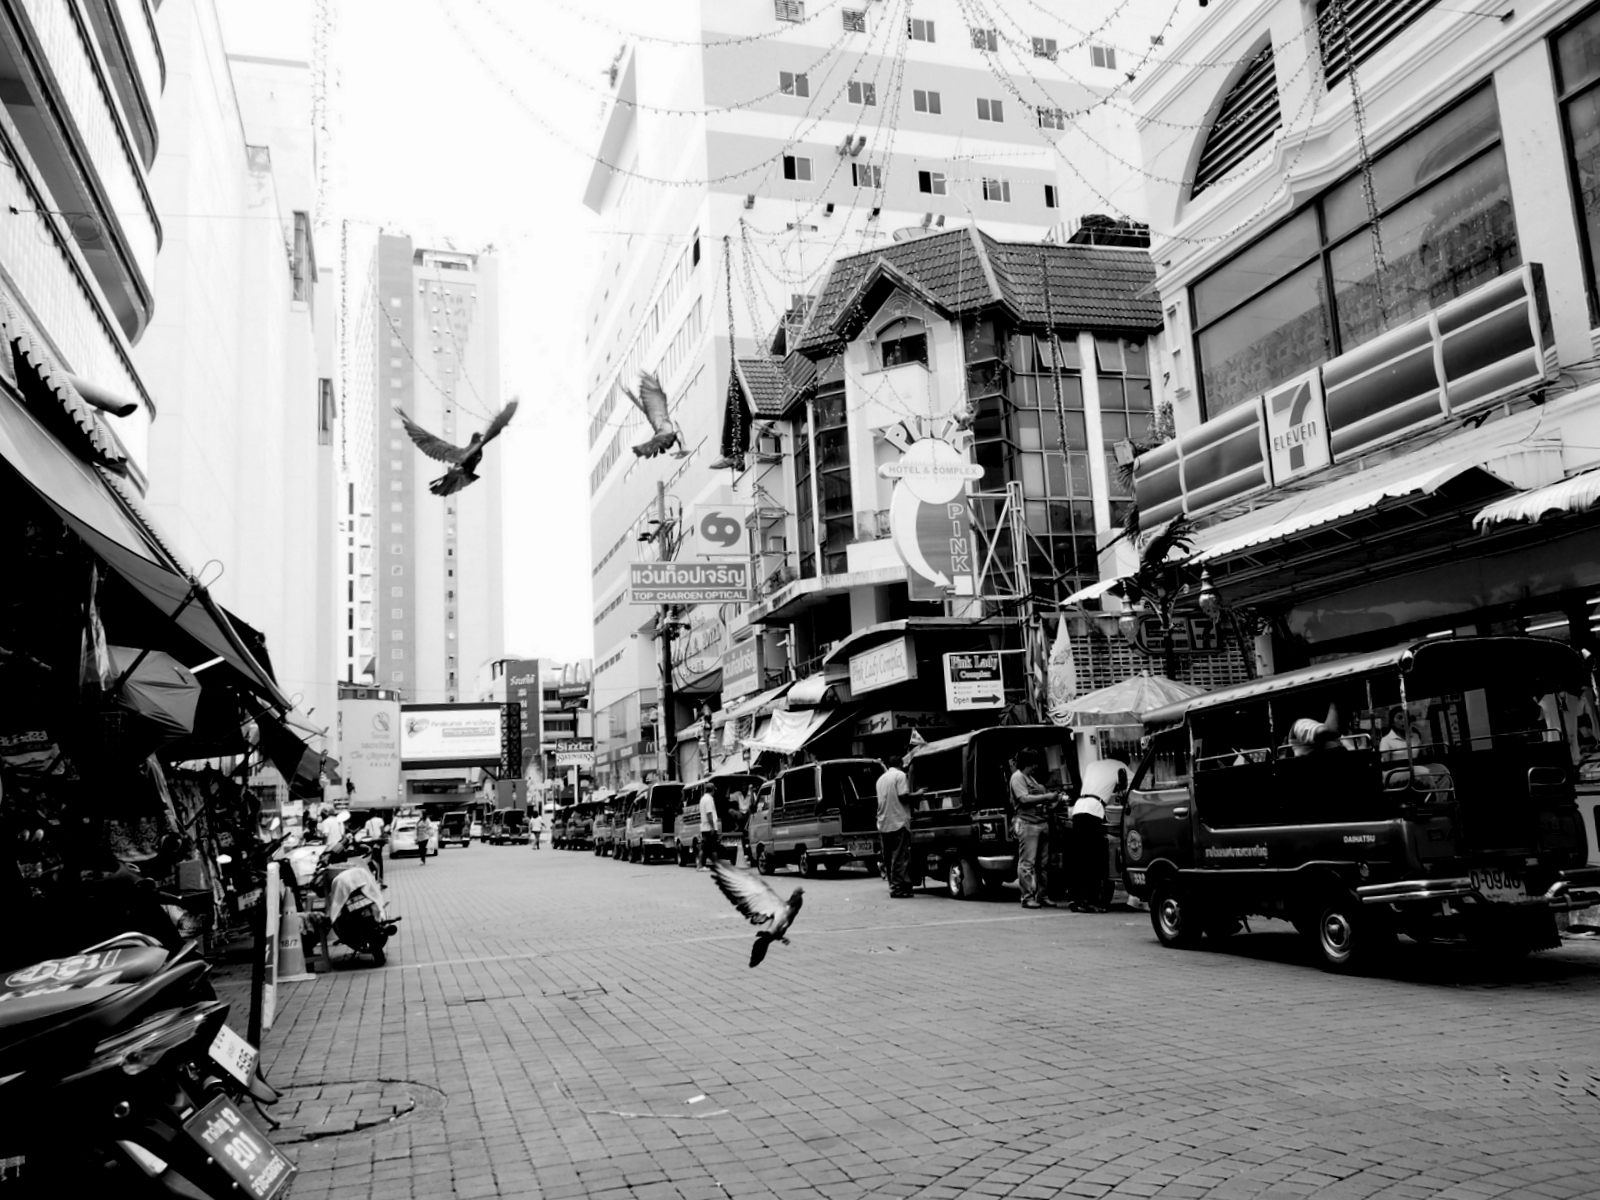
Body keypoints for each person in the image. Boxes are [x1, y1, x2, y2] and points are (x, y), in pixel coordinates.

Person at [1068, 761, 1125, 913]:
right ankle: (1090, 901)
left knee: (1080, 857)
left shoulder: (1092, 765)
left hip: (1078, 808)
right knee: (1094, 858)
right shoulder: (1120, 766)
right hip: (1093, 811)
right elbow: (1135, 786)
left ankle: (1076, 898)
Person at [1010, 748, 1057, 909]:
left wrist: (1054, 800)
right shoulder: (1017, 778)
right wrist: (1046, 796)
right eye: (1033, 764)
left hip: (1041, 822)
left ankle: (1042, 895)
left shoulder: (1030, 778)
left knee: (1043, 864)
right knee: (1027, 863)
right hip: (1028, 824)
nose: (1036, 767)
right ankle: (1027, 897)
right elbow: (1023, 799)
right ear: (1026, 764)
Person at [875, 755, 913, 898]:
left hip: (884, 823)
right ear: (900, 764)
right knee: (899, 858)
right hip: (898, 822)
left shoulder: (881, 779)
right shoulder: (900, 775)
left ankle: (895, 885)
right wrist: (917, 795)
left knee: (889, 858)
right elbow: (903, 796)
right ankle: (897, 889)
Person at [697, 785, 722, 870]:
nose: (714, 792)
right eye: (714, 790)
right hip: (709, 828)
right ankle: (702, 865)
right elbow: (709, 814)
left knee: (706, 847)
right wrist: (712, 826)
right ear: (712, 790)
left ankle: (702, 865)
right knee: (711, 848)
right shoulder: (708, 800)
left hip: (705, 827)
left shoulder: (703, 799)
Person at [361, 812, 388, 884]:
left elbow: (367, 833)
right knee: (380, 860)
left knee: (372, 859)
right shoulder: (380, 820)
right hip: (378, 841)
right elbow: (382, 831)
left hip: (371, 842)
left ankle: (375, 877)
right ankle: (381, 878)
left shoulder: (367, 822)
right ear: (376, 814)